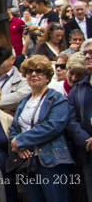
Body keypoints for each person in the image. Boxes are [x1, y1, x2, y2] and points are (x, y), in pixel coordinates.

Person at [9, 55, 74, 201]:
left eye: (39, 71)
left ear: (48, 77)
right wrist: (16, 142)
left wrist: (22, 140)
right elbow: (14, 127)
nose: (33, 74)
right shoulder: (23, 102)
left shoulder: (57, 99)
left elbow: (53, 126)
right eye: (29, 71)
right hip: (27, 162)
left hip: (52, 161)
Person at [68, 41, 92, 201]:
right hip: (88, 155)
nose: (88, 57)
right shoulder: (77, 89)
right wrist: (86, 141)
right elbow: (71, 120)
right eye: (85, 54)